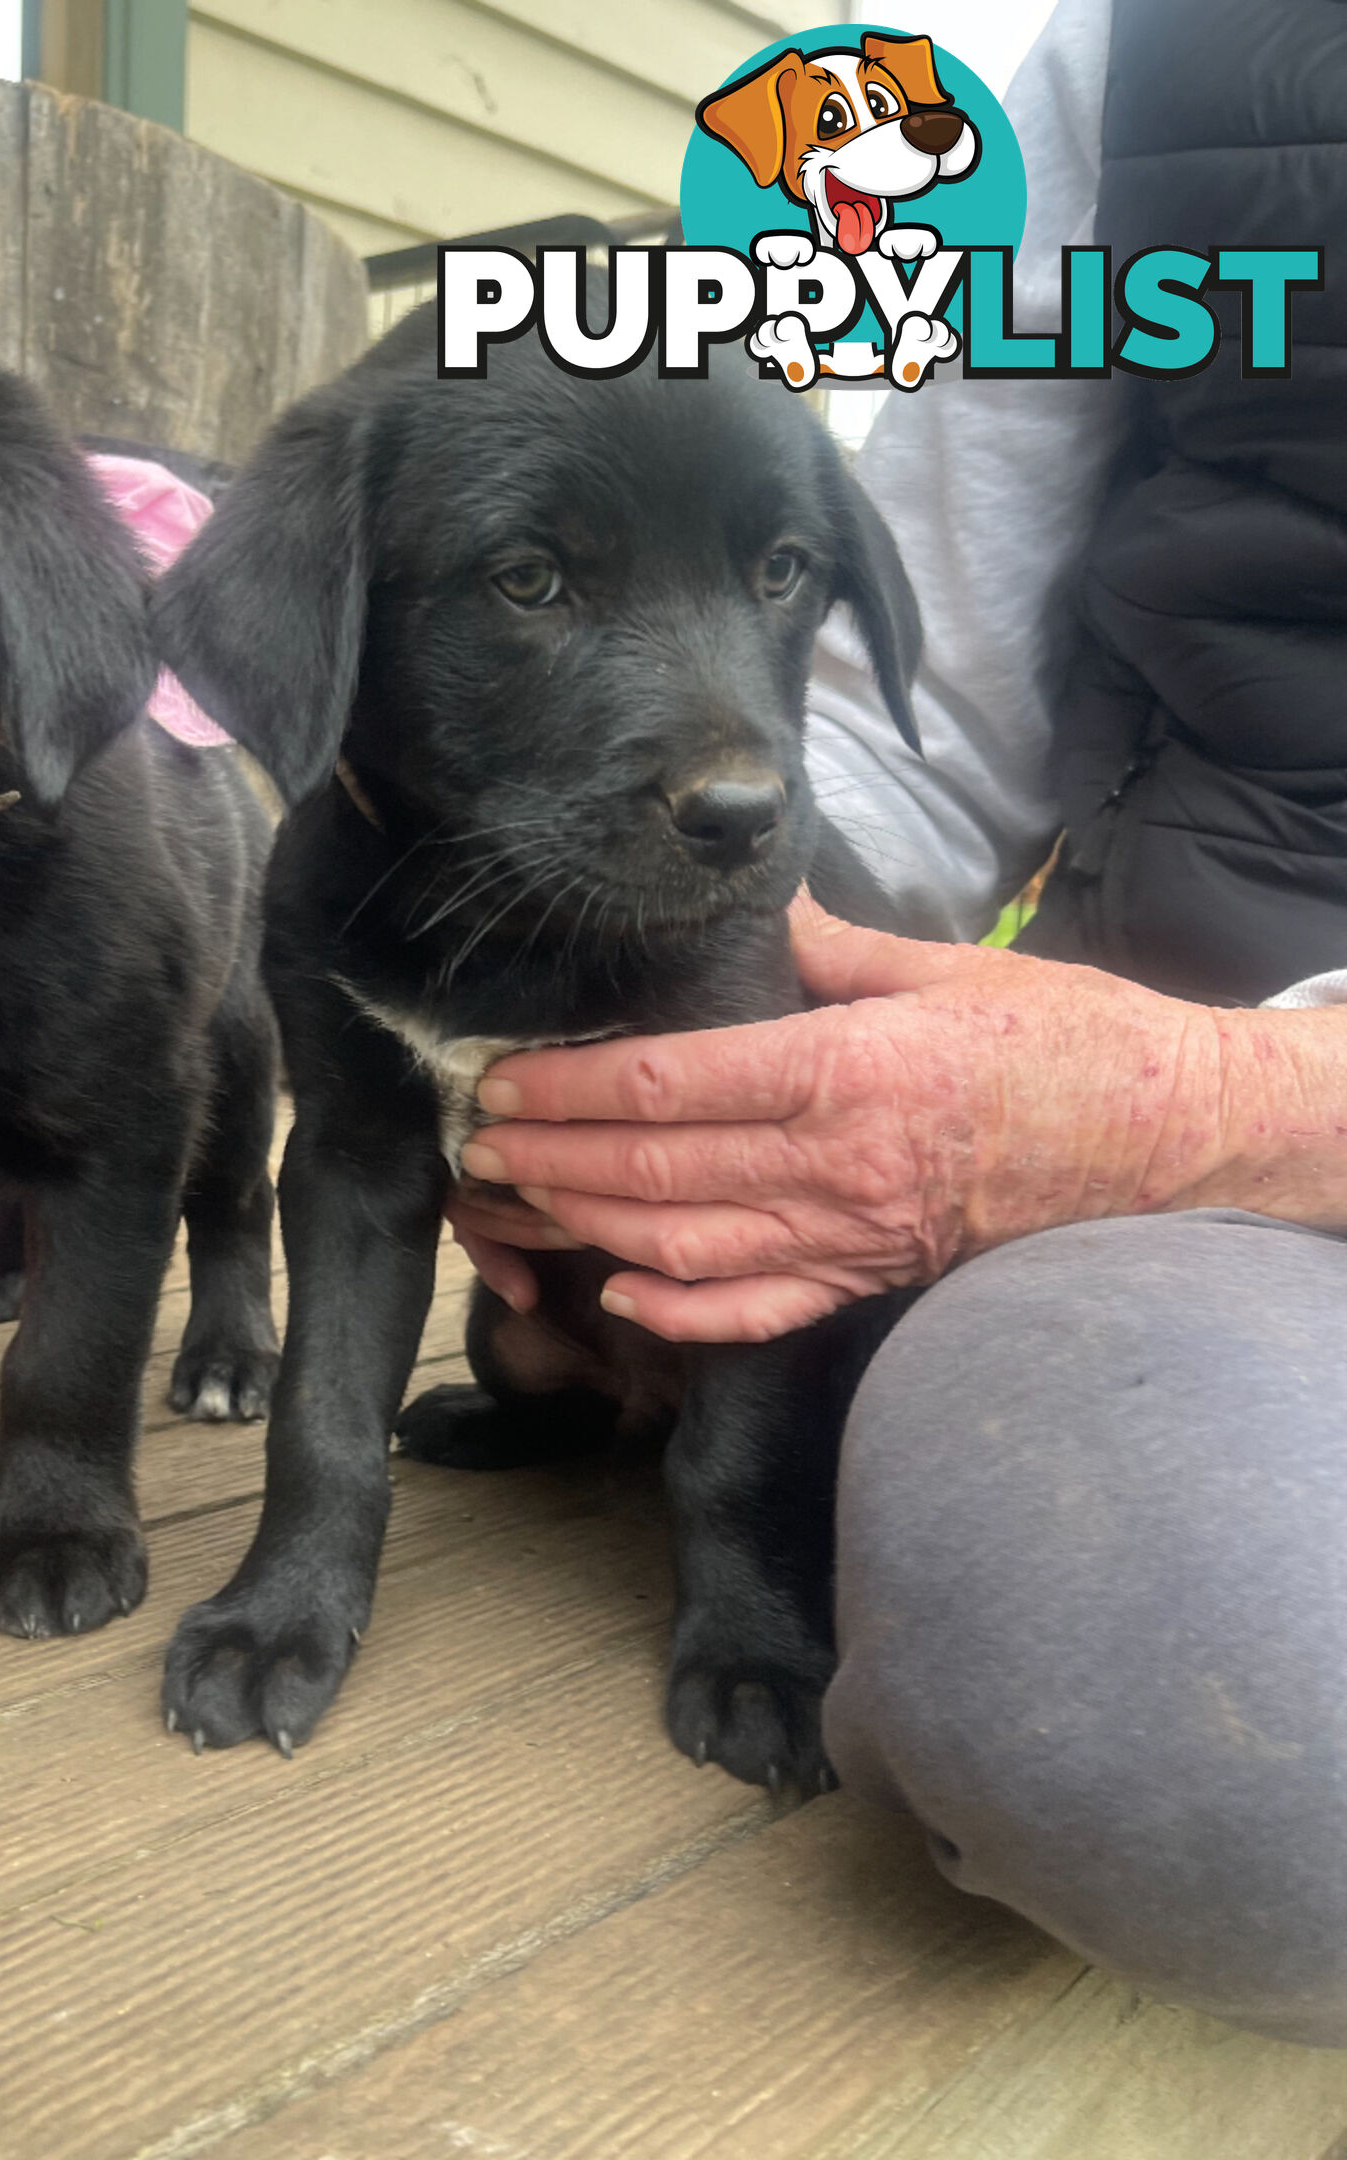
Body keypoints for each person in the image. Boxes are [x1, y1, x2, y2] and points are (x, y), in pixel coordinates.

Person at [449, 0, 1347, 2048]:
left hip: (1221, 1124)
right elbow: (918, 739)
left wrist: (1235, 1105)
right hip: (1184, 1182)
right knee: (1163, 1695)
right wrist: (648, 1024)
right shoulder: (1150, 66)